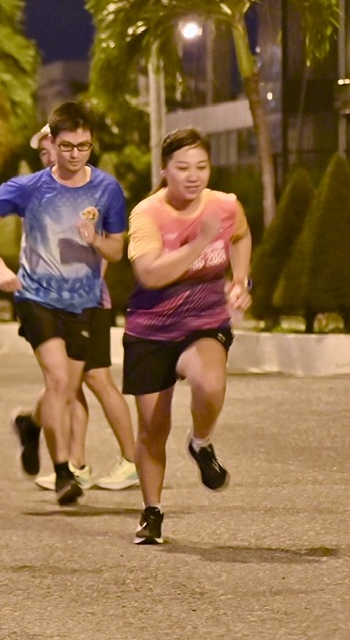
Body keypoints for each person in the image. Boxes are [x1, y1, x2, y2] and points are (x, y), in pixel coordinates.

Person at [0, 101, 128, 506]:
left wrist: (95, 240)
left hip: (84, 302)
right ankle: (63, 473)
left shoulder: (107, 189)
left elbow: (117, 251)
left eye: (84, 146)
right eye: (67, 146)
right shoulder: (30, 187)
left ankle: (30, 423)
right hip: (36, 296)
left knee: (66, 385)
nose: (75, 154)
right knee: (59, 380)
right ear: (52, 144)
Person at [123, 127, 252, 544]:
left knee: (210, 383)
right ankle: (152, 511)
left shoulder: (224, 205)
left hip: (204, 321)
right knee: (153, 427)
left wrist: (241, 279)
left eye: (201, 166)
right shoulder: (147, 214)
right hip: (151, 328)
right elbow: (149, 273)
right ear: (164, 170)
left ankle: (201, 443)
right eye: (182, 168)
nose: (193, 176)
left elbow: (241, 234)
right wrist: (198, 242)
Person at [25, 125, 138, 493]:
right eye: (45, 152)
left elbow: (105, 253)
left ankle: (131, 460)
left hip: (90, 304)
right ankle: (76, 463)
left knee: (94, 381)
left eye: (52, 150)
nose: (51, 157)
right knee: (70, 386)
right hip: (62, 304)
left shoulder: (96, 195)